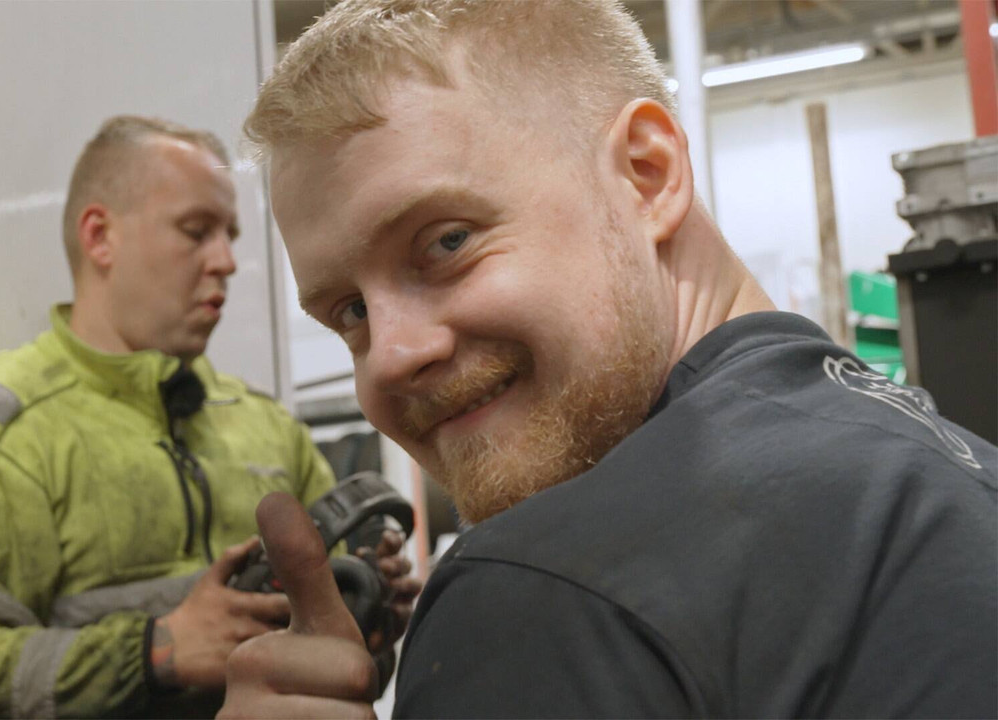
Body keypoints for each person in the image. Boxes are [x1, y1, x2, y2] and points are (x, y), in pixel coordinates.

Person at [219, 1, 998, 717]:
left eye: (448, 242)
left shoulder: (544, 591)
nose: (391, 357)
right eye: (350, 313)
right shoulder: (953, 475)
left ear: (647, 176)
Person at [0, 116, 418, 719]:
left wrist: (369, 605)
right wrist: (155, 650)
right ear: (99, 237)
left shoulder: (267, 428)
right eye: (196, 231)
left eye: (230, 235)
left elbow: (340, 647)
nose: (227, 261)